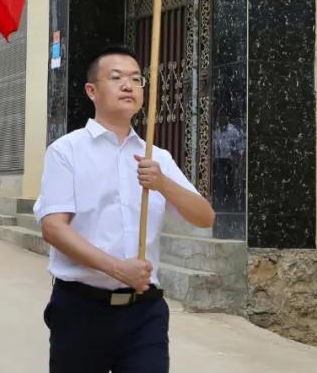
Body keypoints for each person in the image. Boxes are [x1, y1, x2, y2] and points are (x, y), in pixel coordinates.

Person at [34, 45, 214, 373]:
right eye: (116, 78)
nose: (128, 85)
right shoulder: (66, 151)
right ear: (92, 90)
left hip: (144, 313)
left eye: (136, 79)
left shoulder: (157, 159)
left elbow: (204, 217)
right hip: (81, 309)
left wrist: (163, 184)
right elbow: (53, 228)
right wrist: (118, 269)